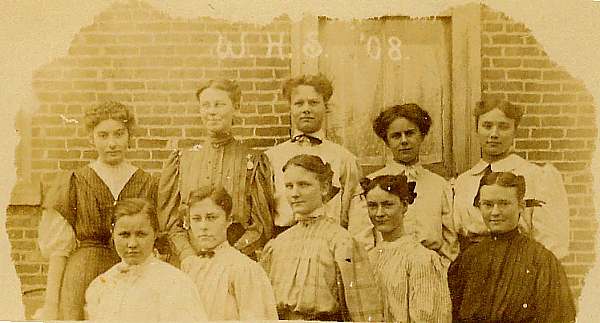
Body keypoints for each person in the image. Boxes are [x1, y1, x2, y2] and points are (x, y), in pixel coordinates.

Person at [37, 101, 158, 320]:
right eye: (103, 135)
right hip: (84, 273)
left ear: (129, 136)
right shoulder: (74, 182)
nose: (112, 143)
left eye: (119, 134)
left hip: (135, 272)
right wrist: (51, 305)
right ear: (90, 138)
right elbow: (58, 252)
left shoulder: (147, 183)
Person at [158, 79, 274, 262]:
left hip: (236, 259)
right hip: (189, 260)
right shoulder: (181, 161)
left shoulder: (253, 161)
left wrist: (231, 256)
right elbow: (171, 221)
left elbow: (261, 224)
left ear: (235, 107)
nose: (212, 112)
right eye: (206, 105)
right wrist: (187, 255)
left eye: (219, 105)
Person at [259, 154, 383, 322]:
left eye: (304, 185)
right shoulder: (279, 244)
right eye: (289, 186)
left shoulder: (341, 241)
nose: (295, 193)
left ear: (324, 187)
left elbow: (364, 311)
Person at [448, 172, 576, 322]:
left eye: (504, 204)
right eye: (488, 205)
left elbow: (558, 316)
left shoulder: (541, 261)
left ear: (521, 206)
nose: (495, 212)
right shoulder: (469, 259)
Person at [453, 99, 570, 258]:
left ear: (515, 131)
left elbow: (551, 244)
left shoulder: (536, 177)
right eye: (487, 126)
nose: (494, 134)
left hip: (521, 266)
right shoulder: (463, 182)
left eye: (503, 127)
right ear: (476, 129)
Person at [264, 74, 369, 241]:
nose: (306, 109)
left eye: (313, 103)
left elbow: (358, 218)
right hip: (284, 243)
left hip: (329, 243)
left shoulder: (343, 158)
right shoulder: (271, 158)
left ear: (325, 107)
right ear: (290, 108)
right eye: (299, 103)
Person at [365, 103, 458, 265]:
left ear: (422, 135)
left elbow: (450, 241)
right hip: (385, 266)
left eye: (410, 134)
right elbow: (362, 241)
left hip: (431, 266)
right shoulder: (371, 184)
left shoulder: (438, 185)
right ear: (386, 141)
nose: (404, 141)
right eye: (396, 136)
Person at [84, 198, 206, 321]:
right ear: (113, 234)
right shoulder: (100, 286)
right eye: (124, 234)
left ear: (155, 234)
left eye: (141, 234)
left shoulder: (175, 284)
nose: (132, 244)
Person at [362, 174, 452, 323]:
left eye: (387, 205)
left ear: (404, 205)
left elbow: (428, 318)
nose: (379, 213)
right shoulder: (370, 257)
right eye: (372, 206)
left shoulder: (421, 259)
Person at [179, 186, 278, 321]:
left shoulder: (243, 269)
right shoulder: (189, 267)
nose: (203, 226)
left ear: (228, 220)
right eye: (196, 219)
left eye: (211, 217)